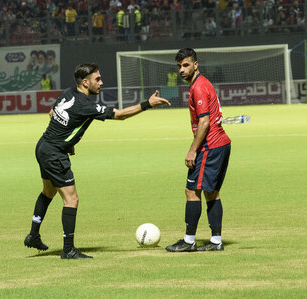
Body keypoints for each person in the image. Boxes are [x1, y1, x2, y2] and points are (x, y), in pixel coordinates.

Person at [24, 63, 170, 259]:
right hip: (54, 154)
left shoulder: (68, 92)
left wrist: (66, 140)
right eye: (97, 79)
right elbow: (120, 115)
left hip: (43, 146)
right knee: (71, 199)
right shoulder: (86, 105)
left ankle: (33, 235)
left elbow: (52, 114)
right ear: (85, 82)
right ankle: (68, 249)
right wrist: (148, 104)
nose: (101, 82)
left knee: (48, 191)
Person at [166, 48, 231, 253]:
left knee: (192, 191)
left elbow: (204, 122)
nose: (182, 70)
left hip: (209, 146)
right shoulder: (200, 84)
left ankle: (189, 240)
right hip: (220, 144)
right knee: (211, 193)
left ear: (196, 64)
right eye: (179, 67)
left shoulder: (199, 87)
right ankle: (216, 241)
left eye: (185, 65)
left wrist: (192, 150)